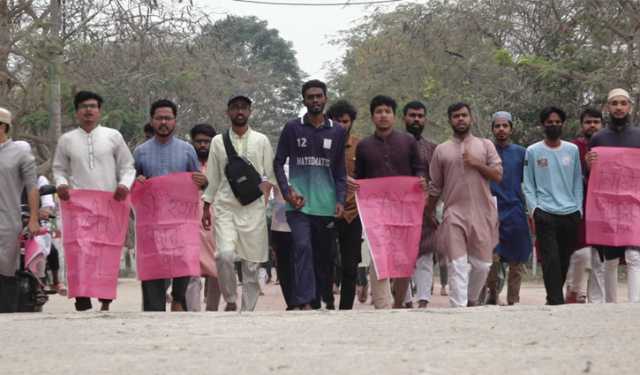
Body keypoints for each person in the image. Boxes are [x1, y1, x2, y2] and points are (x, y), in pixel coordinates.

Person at [53, 91, 135, 311]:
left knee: (106, 250)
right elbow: (59, 169)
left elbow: (128, 166)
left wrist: (124, 185)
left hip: (110, 203)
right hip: (78, 205)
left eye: (93, 106)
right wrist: (61, 184)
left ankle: (105, 298)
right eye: (83, 106)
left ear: (99, 111)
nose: (88, 110)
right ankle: (82, 298)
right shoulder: (67, 140)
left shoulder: (113, 136)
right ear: (77, 112)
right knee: (80, 248)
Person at [273, 80, 347, 310]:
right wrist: (287, 192)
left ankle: (320, 299)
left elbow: (339, 170)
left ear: (326, 98)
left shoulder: (337, 131)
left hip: (325, 205)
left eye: (319, 96)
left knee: (323, 255)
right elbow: (278, 163)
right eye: (310, 97)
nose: (315, 100)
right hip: (299, 204)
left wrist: (340, 199)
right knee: (302, 247)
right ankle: (304, 301)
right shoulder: (293, 128)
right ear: (303, 100)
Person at [202, 94, 275, 312]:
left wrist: (262, 197)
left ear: (250, 111)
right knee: (223, 255)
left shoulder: (261, 140)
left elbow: (269, 174)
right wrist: (206, 205)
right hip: (225, 208)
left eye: (244, 108)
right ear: (228, 112)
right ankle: (231, 299)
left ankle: (248, 310)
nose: (239, 112)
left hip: (253, 209)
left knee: (251, 265)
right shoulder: (217, 141)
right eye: (235, 108)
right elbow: (213, 177)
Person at [134, 99, 207, 312]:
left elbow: (197, 182)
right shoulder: (140, 152)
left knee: (183, 260)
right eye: (159, 118)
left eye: (168, 118)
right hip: (152, 222)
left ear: (175, 121)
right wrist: (136, 182)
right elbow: (132, 183)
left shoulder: (187, 150)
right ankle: (153, 312)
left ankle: (178, 299)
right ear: (152, 121)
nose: (163, 122)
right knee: (153, 269)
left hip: (180, 221)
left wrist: (204, 182)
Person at [427, 102, 502, 308]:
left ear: (471, 118)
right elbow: (435, 186)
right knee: (457, 264)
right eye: (456, 116)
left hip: (483, 212)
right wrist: (429, 211)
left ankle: (470, 300)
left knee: (483, 265)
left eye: (464, 115)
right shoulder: (441, 150)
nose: (460, 119)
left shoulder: (486, 145)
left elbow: (497, 175)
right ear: (450, 120)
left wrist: (477, 163)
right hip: (454, 213)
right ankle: (458, 309)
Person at [354, 95, 426, 309]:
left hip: (404, 208)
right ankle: (383, 305)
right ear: (372, 117)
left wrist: (421, 182)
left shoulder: (408, 142)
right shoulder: (364, 146)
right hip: (374, 209)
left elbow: (419, 169)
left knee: (404, 254)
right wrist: (356, 186)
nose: (383, 115)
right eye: (379, 111)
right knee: (379, 253)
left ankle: (399, 302)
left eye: (387, 111)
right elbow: (360, 178)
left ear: (394, 116)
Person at [523, 106, 582, 305]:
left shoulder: (571, 150)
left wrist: (578, 209)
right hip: (545, 212)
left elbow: (576, 182)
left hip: (570, 212)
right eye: (550, 122)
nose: (554, 125)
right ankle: (556, 300)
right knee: (550, 259)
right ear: (543, 124)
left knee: (565, 258)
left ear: (562, 124)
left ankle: (553, 297)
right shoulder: (533, 151)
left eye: (557, 122)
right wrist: (535, 209)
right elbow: (528, 183)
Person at [587, 88, 640, 303]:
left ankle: (635, 304)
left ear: (629, 106)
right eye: (614, 103)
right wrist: (588, 165)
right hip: (606, 205)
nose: (619, 107)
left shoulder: (638, 136)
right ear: (608, 107)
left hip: (634, 204)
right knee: (609, 258)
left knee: (634, 255)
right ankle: (611, 306)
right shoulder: (599, 138)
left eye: (623, 103)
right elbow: (590, 176)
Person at [485, 111, 531, 305]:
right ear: (493, 129)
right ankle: (492, 294)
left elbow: (529, 182)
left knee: (517, 259)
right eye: (497, 126)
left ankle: (514, 299)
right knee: (491, 258)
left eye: (505, 125)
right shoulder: (485, 151)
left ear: (511, 128)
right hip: (491, 209)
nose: (501, 129)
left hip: (515, 210)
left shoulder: (522, 153)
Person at [0, 107, 40, 313]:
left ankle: (6, 314)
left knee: (6, 270)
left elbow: (32, 187)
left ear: (3, 126)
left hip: (8, 222)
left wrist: (33, 219)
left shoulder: (19, 153)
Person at [326, 100, 362, 310]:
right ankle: (328, 304)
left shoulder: (361, 146)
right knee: (326, 261)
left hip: (353, 212)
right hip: (326, 210)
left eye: (345, 121)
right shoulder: (321, 145)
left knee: (350, 265)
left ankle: (346, 309)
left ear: (352, 122)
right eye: (336, 121)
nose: (341, 125)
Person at [566, 108, 604, 303]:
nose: (592, 125)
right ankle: (574, 292)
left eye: (596, 122)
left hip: (603, 208)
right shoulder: (573, 148)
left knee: (600, 257)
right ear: (582, 125)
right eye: (588, 122)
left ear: (602, 124)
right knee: (579, 252)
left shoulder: (609, 146)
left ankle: (597, 300)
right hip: (578, 206)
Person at [402, 100, 437, 308]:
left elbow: (438, 180)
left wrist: (431, 206)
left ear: (425, 119)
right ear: (404, 118)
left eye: (420, 116)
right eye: (412, 115)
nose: (416, 119)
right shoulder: (394, 144)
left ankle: (423, 300)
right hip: (399, 209)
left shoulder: (433, 148)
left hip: (425, 210)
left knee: (425, 255)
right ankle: (405, 300)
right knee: (403, 256)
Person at [184, 123, 221, 311]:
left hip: (215, 224)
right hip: (190, 225)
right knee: (192, 271)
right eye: (198, 141)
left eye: (207, 141)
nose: (203, 145)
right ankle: (193, 312)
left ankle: (212, 311)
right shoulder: (185, 165)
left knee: (217, 271)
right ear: (192, 143)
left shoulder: (222, 164)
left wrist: (208, 183)